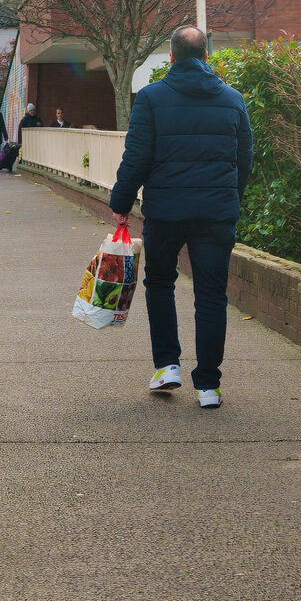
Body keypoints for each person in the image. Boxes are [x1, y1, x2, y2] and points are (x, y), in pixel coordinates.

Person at [109, 25, 252, 410]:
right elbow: (244, 160)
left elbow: (136, 156)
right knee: (211, 294)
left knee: (159, 282)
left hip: (166, 212)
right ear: (207, 56)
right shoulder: (233, 99)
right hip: (215, 214)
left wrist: (121, 201)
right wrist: (228, 199)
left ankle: (167, 365)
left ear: (170, 57)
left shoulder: (152, 98)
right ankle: (208, 386)